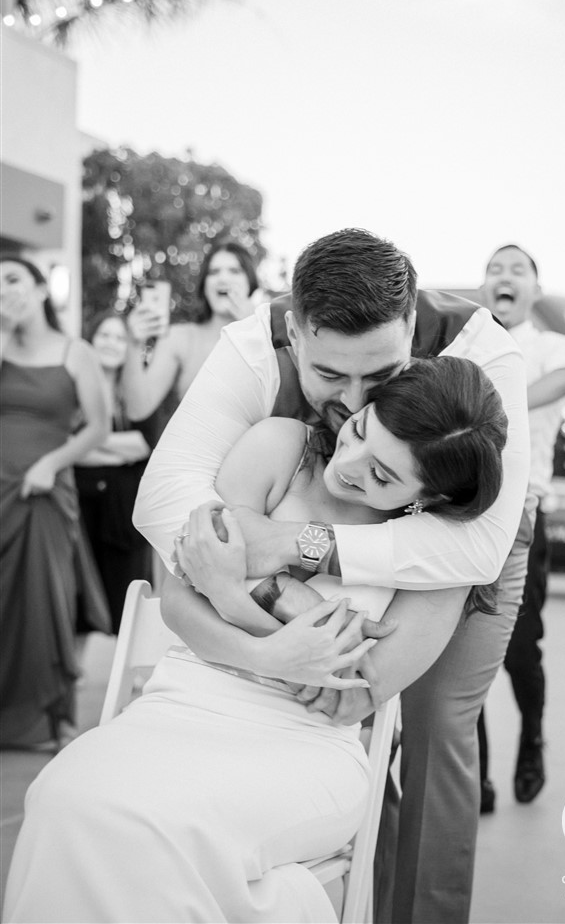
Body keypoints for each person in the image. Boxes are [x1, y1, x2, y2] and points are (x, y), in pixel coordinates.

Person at [3, 356, 510, 924]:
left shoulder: (444, 554)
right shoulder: (281, 447)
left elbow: (348, 692)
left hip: (305, 743)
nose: (350, 465)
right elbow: (179, 596)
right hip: (182, 701)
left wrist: (233, 592)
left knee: (156, 828)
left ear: (432, 498)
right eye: (362, 430)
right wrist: (277, 640)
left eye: (384, 477)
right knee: (62, 797)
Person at [132, 227, 533, 924]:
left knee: (433, 727)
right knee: (331, 718)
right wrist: (272, 607)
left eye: (378, 379)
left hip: (463, 530)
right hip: (304, 494)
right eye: (328, 376)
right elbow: (167, 503)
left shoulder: (486, 349)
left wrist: (290, 548)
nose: (350, 401)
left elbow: (476, 550)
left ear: (410, 325)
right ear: (295, 332)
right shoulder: (253, 349)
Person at [476, 244, 565, 812]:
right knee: (460, 645)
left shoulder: (551, 346)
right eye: (496, 269)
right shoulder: (469, 345)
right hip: (467, 509)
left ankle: (532, 741)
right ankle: (477, 777)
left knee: (521, 647)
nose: (506, 277)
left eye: (518, 270)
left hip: (524, 512)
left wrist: (487, 396)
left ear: (534, 291)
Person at [0, 255, 111, 750]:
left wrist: (51, 463)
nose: (7, 290)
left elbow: (98, 426)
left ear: (42, 289)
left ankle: (43, 721)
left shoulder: (75, 351)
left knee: (41, 599)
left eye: (13, 279)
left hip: (41, 492)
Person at [74, 311, 156, 634]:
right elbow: (66, 448)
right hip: (82, 506)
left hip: (124, 509)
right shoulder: (74, 387)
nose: (111, 343)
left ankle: (132, 680)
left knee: (127, 599)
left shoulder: (139, 390)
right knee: (78, 601)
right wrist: (116, 448)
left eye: (120, 337)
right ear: (90, 341)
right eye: (104, 335)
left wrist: (90, 439)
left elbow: (143, 444)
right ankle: (74, 679)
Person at [121, 238, 259, 423]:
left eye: (234, 271)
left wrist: (253, 330)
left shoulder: (267, 335)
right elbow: (137, 410)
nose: (223, 278)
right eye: (213, 272)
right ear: (205, 286)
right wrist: (134, 343)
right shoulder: (179, 337)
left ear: (250, 282)